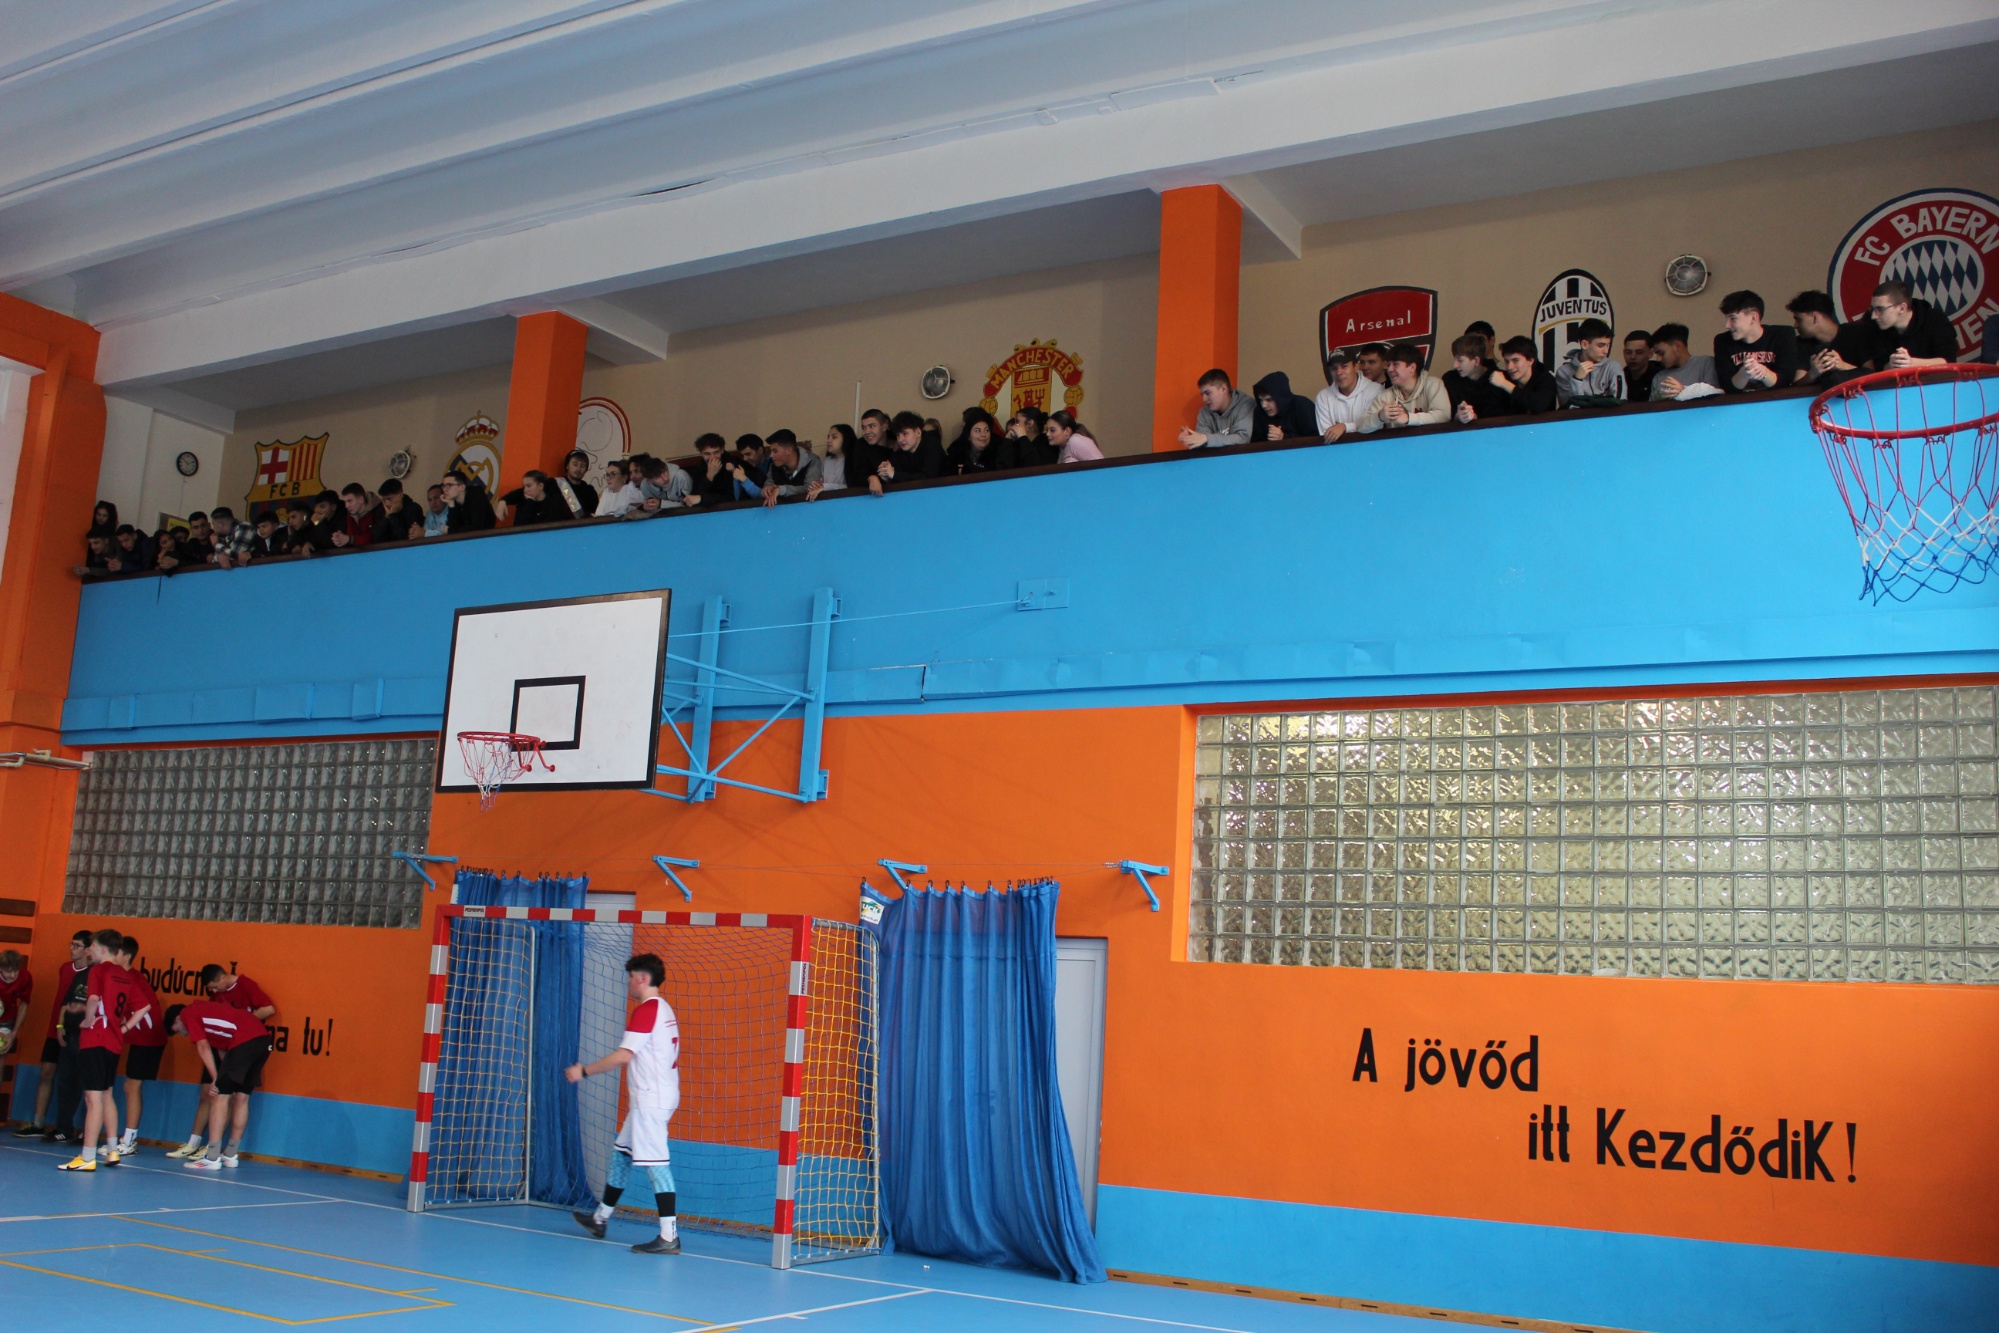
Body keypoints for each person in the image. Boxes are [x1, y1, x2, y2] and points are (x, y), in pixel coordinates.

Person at [567, 953, 682, 1255]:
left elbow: (623, 1056)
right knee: (622, 1155)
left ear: (643, 979)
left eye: (631, 977)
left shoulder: (647, 1010)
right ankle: (600, 1219)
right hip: (655, 1096)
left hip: (651, 1100)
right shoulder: (664, 1008)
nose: (629, 982)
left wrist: (584, 1071)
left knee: (657, 1166)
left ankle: (669, 1236)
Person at [168, 965, 276, 1161]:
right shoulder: (211, 1017)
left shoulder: (188, 1013)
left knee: (220, 1097)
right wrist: (224, 1075)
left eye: (175, 1028)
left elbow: (203, 1047)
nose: (179, 1033)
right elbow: (222, 1051)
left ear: (177, 1018)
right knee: (241, 1099)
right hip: (262, 1042)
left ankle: (212, 1157)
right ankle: (231, 1155)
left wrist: (216, 1078)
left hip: (245, 1040)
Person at [60, 929, 140, 1171]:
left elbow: (93, 999)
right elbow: (144, 1006)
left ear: (103, 949)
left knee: (92, 1098)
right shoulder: (125, 975)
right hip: (114, 1042)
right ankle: (113, 1150)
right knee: (106, 1094)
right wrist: (124, 1027)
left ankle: (87, 1157)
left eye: (92, 947)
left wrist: (87, 1020)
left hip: (95, 1039)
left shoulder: (98, 971)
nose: (89, 951)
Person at [15, 930, 90, 1141]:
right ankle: (39, 1123)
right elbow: (63, 1002)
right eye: (71, 944)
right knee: (47, 1073)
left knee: (77, 1080)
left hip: (75, 1033)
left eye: (76, 945)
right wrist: (58, 1025)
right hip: (55, 1028)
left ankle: (80, 1129)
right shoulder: (65, 968)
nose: (72, 949)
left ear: (88, 949)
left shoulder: (93, 974)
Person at [115, 936, 163, 1156]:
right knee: (129, 1086)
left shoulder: (132, 979)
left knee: (131, 1086)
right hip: (137, 1038)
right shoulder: (121, 976)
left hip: (147, 1038)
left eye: (115, 952)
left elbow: (142, 1010)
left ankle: (130, 1140)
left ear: (126, 956)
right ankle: (125, 1139)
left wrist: (123, 1028)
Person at [1714, 290, 1801, 394]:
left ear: (1753, 317)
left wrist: (1763, 372)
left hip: (1778, 401)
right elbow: (1727, 386)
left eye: (1733, 318)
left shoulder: (1783, 335)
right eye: (1727, 319)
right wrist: (1744, 373)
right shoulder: (1722, 341)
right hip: (1741, 403)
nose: (1727, 325)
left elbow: (1786, 380)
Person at [1786, 290, 1874, 388]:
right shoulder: (1800, 343)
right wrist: (1812, 374)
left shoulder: (1856, 333)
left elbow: (1873, 374)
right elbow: (1796, 385)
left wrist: (1842, 365)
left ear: (1815, 317)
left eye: (1798, 319)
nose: (1795, 325)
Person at [1355, 343, 1450, 432]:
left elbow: (1444, 416)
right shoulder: (1385, 396)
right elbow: (1360, 427)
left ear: (1412, 367)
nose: (1390, 369)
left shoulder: (1432, 384)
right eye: (1389, 365)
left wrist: (1408, 418)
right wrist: (1380, 416)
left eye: (1396, 364)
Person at [1866, 280, 1957, 370]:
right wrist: (1893, 364)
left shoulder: (1934, 319)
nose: (1873, 316)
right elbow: (1880, 368)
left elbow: (1948, 360)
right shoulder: (1875, 326)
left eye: (1880, 309)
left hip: (1937, 378)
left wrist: (1911, 363)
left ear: (1902, 308)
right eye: (1872, 309)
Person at [1553, 318, 1627, 407]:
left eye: (1608, 345)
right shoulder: (1564, 372)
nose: (1606, 351)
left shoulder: (1613, 367)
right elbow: (1569, 409)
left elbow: (1619, 404)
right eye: (1600, 346)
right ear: (1584, 344)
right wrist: (1577, 379)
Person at [1313, 348, 1383, 442]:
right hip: (1338, 450)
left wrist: (1344, 427)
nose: (1339, 372)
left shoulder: (1375, 390)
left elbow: (1374, 426)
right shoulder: (1323, 397)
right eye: (1334, 368)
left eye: (1344, 366)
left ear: (1356, 367)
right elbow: (1328, 436)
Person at [1444, 336, 1515, 424]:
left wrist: (1476, 417)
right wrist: (1458, 416)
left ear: (1476, 361)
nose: (1455, 365)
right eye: (1454, 358)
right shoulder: (1450, 379)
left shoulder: (1501, 380)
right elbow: (1445, 416)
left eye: (1460, 360)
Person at [870, 411, 945, 493]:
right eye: (898, 435)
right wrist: (886, 477)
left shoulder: (932, 443)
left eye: (905, 434)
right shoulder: (900, 450)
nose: (900, 440)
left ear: (918, 432)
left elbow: (928, 478)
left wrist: (894, 475)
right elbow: (895, 475)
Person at [1177, 369, 1253, 449]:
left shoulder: (1246, 405)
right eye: (1202, 395)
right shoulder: (1204, 412)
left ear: (1223, 389)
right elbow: (1203, 445)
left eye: (1208, 393)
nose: (1204, 399)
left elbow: (1242, 438)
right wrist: (1190, 439)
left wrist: (1207, 438)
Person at [1646, 325, 1720, 400]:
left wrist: (1684, 392)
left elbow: (1714, 397)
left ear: (1677, 346)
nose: (1658, 359)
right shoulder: (1659, 377)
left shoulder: (1706, 364)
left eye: (1661, 353)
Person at [1251, 372, 1318, 442]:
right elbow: (1255, 444)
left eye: (1269, 400)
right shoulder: (1259, 412)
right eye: (1261, 400)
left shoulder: (1302, 405)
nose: (1264, 405)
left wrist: (1284, 437)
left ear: (1280, 398)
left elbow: (1316, 439)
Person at [759, 430, 820, 506]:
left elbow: (809, 489)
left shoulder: (812, 462)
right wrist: (767, 490)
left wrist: (781, 490)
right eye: (771, 451)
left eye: (775, 451)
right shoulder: (773, 465)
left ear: (788, 451)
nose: (771, 455)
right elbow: (768, 483)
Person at [501, 470, 577, 526]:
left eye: (529, 486)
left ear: (540, 486)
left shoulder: (554, 503)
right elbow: (519, 527)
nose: (525, 490)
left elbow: (550, 525)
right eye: (524, 486)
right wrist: (530, 502)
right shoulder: (523, 504)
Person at [945, 408, 1006, 476]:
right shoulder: (956, 453)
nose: (983, 434)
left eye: (986, 430)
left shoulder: (999, 451)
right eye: (978, 431)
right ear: (968, 435)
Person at [683, 435, 737, 508]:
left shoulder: (732, 465)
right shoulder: (699, 469)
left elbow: (730, 499)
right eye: (707, 454)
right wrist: (709, 476)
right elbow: (693, 497)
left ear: (722, 450)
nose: (712, 457)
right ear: (701, 453)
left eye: (716, 452)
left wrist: (702, 499)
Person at [0, 949, 29, 1068]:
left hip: (7, 1020)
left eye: (16, 970)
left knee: (1, 1058)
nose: (13, 975)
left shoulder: (25, 977)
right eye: (8, 971)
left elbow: (24, 1004)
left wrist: (14, 1033)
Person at [813, 424, 859, 497]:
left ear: (846, 439)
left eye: (834, 437)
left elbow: (852, 487)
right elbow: (822, 483)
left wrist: (826, 487)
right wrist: (816, 486)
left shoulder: (855, 461)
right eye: (828, 437)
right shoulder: (827, 461)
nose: (828, 440)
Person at [554, 450, 599, 519]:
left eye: (582, 466)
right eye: (575, 464)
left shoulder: (590, 491)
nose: (578, 468)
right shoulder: (555, 486)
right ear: (567, 466)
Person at [330, 483, 377, 548]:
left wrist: (349, 539)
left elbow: (374, 539)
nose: (346, 506)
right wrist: (339, 538)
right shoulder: (351, 513)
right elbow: (350, 537)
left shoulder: (377, 510)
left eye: (349, 501)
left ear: (361, 500)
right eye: (345, 502)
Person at [1621, 329, 1657, 402]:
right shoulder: (1620, 377)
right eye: (1628, 352)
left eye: (1639, 352)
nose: (1632, 357)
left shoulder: (1660, 375)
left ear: (1650, 353)